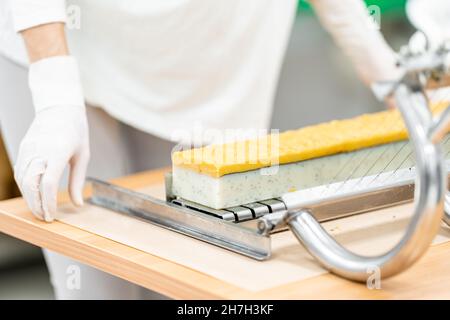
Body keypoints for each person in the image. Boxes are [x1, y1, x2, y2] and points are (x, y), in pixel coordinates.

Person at [0, 0, 400, 299]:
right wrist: (55, 94)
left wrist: (382, 65)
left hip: (199, 71)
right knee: (95, 287)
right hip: (63, 42)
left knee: (186, 281)